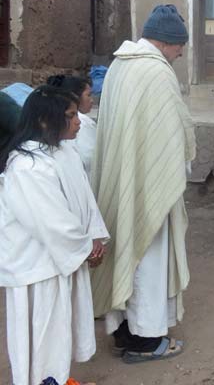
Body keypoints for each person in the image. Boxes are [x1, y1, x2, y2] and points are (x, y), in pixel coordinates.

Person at [90, 4, 196, 363]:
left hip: (125, 181)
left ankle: (124, 332)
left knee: (125, 256)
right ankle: (146, 342)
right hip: (151, 186)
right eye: (180, 45)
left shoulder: (120, 66)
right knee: (149, 262)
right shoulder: (156, 72)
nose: (181, 53)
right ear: (167, 42)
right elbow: (173, 131)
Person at [0, 85, 109, 385]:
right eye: (71, 116)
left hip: (59, 261)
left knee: (58, 335)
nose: (78, 122)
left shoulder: (62, 152)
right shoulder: (26, 166)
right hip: (38, 270)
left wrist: (95, 237)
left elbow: (83, 198)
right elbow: (52, 222)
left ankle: (58, 380)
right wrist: (85, 247)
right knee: (43, 340)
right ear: (45, 121)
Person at [47, 75, 96, 175]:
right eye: (88, 95)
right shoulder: (84, 122)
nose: (92, 100)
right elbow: (91, 159)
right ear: (75, 96)